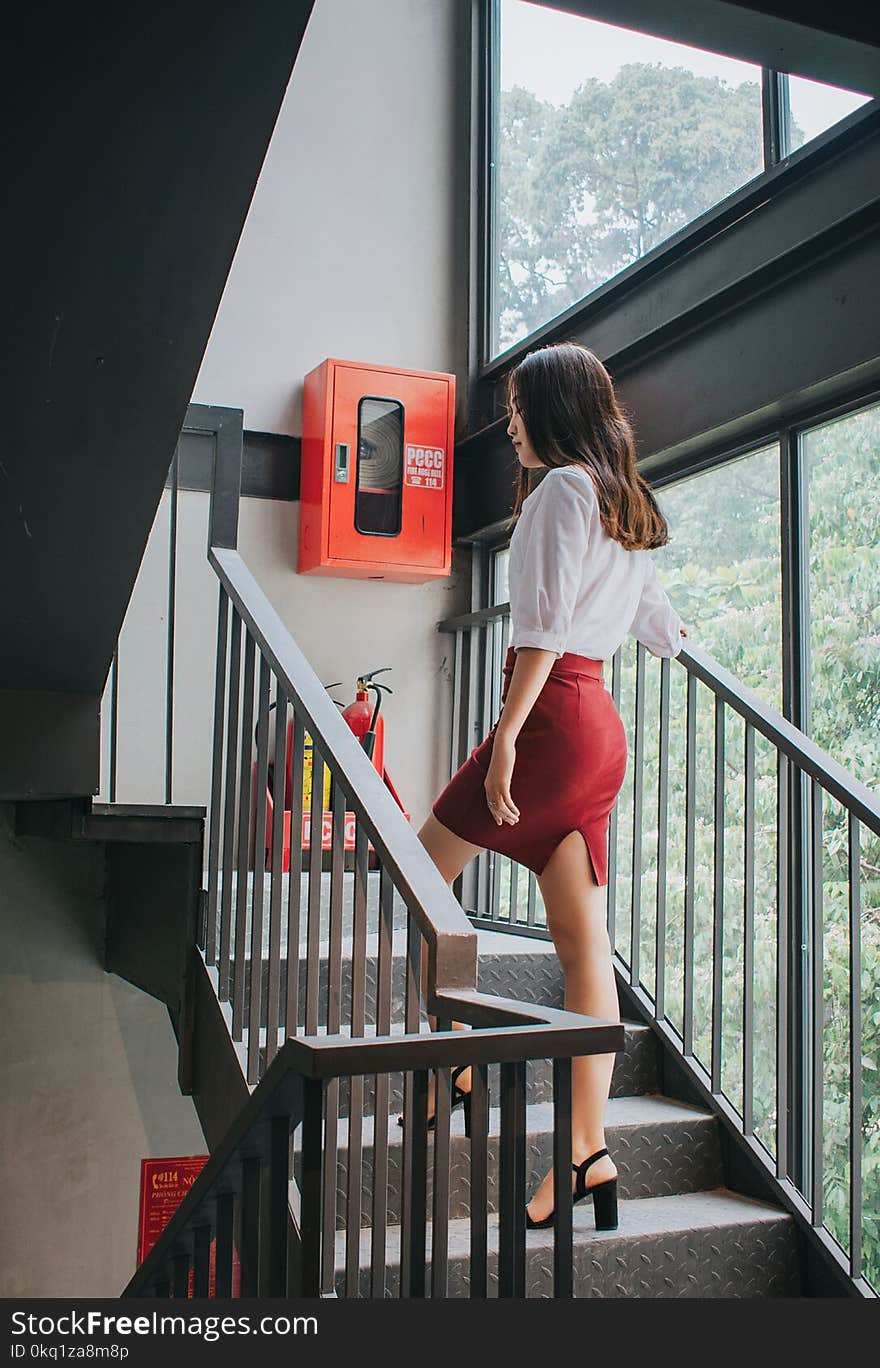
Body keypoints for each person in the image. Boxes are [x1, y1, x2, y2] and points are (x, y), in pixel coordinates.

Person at [408, 340, 686, 1232]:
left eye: (520, 409)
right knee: (580, 947)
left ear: (556, 410)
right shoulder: (621, 498)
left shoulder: (565, 490)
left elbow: (542, 631)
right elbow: (661, 633)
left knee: (415, 878)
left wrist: (503, 746)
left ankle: (450, 1053)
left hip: (553, 718)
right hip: (599, 723)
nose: (511, 425)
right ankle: (585, 1151)